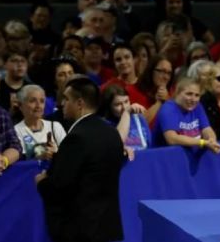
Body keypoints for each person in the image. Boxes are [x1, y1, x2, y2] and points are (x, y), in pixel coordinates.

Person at [36, 77, 126, 242]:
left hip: (79, 231)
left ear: (79, 103)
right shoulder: (112, 133)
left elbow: (60, 187)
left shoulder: (77, 137)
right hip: (106, 228)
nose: (62, 103)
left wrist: (41, 182)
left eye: (66, 98)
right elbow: (91, 170)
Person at [152, 76, 220, 153]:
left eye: (197, 95)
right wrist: (203, 142)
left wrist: (212, 140)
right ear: (177, 93)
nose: (193, 99)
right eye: (189, 94)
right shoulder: (168, 109)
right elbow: (172, 139)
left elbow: (206, 129)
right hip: (165, 158)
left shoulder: (197, 106)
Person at [14, 85, 65, 163]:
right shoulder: (16, 131)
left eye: (42, 101)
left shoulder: (55, 127)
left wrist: (55, 154)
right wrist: (38, 158)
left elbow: (68, 154)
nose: (38, 105)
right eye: (32, 101)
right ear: (21, 106)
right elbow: (20, 161)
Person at [101, 84, 151, 156]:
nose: (124, 107)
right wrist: (126, 113)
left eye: (126, 101)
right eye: (118, 104)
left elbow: (150, 144)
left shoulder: (139, 119)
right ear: (109, 107)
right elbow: (116, 143)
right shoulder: (104, 125)